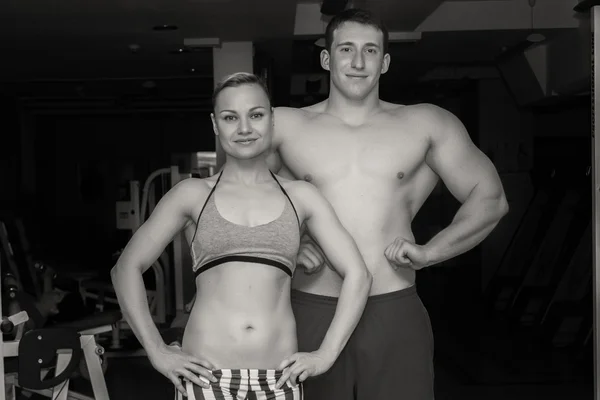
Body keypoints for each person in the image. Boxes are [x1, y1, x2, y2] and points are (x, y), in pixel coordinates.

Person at [267, 8, 510, 400]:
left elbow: (491, 198)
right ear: (327, 59)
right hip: (311, 306)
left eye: (370, 51)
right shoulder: (284, 126)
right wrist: (286, 243)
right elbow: (235, 203)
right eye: (346, 49)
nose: (358, 62)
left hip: (392, 308)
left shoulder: (426, 124)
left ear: (385, 62)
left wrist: (431, 252)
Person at [110, 72, 372, 400]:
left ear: (272, 120)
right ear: (215, 124)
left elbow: (358, 274)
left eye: (256, 115)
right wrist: (157, 350)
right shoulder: (191, 194)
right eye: (230, 117)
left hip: (278, 381)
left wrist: (326, 354)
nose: (244, 128)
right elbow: (125, 269)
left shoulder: (301, 196)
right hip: (206, 377)